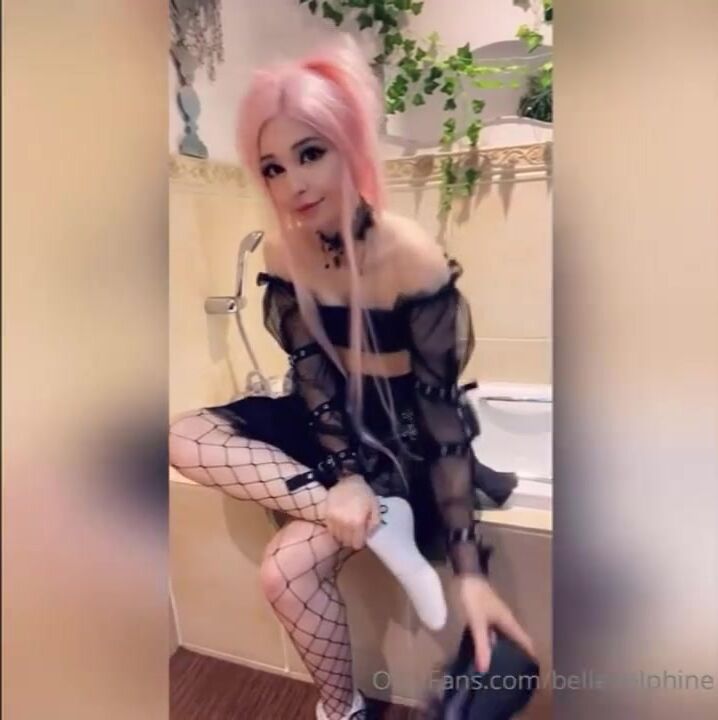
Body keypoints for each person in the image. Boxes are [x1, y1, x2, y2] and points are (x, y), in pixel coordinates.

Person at [169, 34, 536, 720]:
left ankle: (340, 706)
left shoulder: (409, 255)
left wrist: (469, 570)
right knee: (181, 435)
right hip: (332, 427)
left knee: (284, 571)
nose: (294, 183)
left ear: (350, 147)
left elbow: (442, 418)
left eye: (311, 153)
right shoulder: (283, 251)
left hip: (403, 438)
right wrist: (343, 479)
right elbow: (311, 375)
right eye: (273, 167)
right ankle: (372, 537)